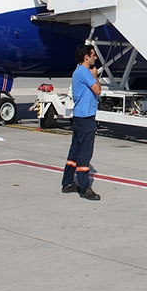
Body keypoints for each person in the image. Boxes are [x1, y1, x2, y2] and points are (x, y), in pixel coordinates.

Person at [61, 44, 102, 201]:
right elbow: (98, 90)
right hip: (86, 117)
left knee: (75, 150)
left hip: (79, 116)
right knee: (85, 152)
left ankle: (67, 182)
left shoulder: (78, 72)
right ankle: (85, 188)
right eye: (93, 55)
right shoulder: (85, 72)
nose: (95, 58)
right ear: (86, 57)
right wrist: (95, 75)